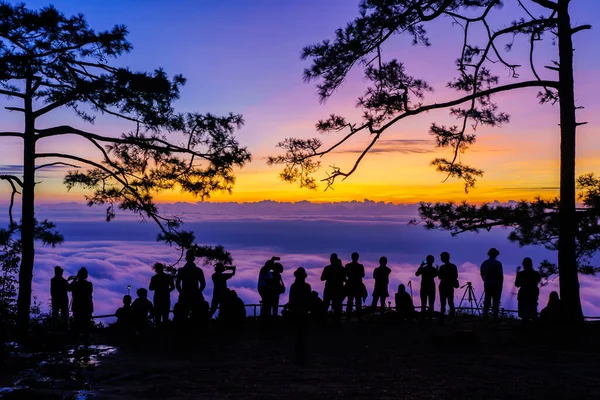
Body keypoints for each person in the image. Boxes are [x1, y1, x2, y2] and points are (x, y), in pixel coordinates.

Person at [176, 249, 206, 322]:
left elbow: (177, 284)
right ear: (194, 259)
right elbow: (203, 284)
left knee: (183, 316)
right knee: (196, 316)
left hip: (185, 295)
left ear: (186, 258)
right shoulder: (198, 270)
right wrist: (198, 292)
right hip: (195, 295)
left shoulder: (182, 270)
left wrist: (181, 292)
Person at [289, 267, 312, 363]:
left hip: (295, 310)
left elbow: (291, 299)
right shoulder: (307, 286)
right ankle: (301, 347)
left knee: (297, 330)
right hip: (304, 310)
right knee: (302, 330)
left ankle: (297, 347)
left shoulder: (293, 286)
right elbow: (309, 299)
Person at [69, 267, 93, 346]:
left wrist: (75, 279)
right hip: (87, 306)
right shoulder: (89, 284)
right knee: (86, 324)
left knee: (77, 324)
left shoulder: (75, 284)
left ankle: (76, 340)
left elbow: (69, 288)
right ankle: (86, 340)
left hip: (77, 306)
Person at [515, 257, 541, 322]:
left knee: (524, 316)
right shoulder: (536, 274)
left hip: (523, 295)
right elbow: (538, 280)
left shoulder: (521, 274)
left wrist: (517, 273)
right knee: (533, 314)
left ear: (523, 264)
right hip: (532, 295)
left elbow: (517, 284)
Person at [321, 253, 346, 321]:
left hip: (329, 288)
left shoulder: (327, 268)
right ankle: (336, 319)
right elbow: (344, 279)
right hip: (337, 289)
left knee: (326, 305)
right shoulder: (341, 268)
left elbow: (322, 278)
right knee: (336, 305)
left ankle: (324, 319)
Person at [480, 248, 504, 320]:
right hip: (497, 285)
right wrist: (501, 285)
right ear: (496, 255)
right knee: (496, 301)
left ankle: (485, 315)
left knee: (487, 299)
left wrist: (485, 281)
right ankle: (495, 316)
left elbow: (482, 274)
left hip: (488, 284)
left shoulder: (484, 263)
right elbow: (500, 276)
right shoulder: (498, 264)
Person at [438, 252, 459, 320]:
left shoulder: (442, 267)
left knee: (443, 303)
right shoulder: (453, 266)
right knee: (450, 302)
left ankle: (442, 318)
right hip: (450, 286)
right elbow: (456, 276)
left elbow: (440, 277)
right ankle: (452, 318)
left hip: (443, 286)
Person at [344, 252, 365, 317]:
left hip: (350, 285)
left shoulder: (348, 266)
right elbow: (362, 275)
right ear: (357, 258)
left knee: (350, 301)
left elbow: (345, 274)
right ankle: (358, 315)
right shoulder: (360, 266)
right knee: (358, 301)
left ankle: (348, 315)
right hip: (358, 285)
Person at [50, 266, 69, 331]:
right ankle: (64, 330)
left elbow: (52, 292)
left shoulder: (52, 280)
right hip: (64, 302)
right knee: (64, 317)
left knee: (54, 317)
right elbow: (69, 288)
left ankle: (54, 331)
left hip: (55, 301)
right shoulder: (63, 281)